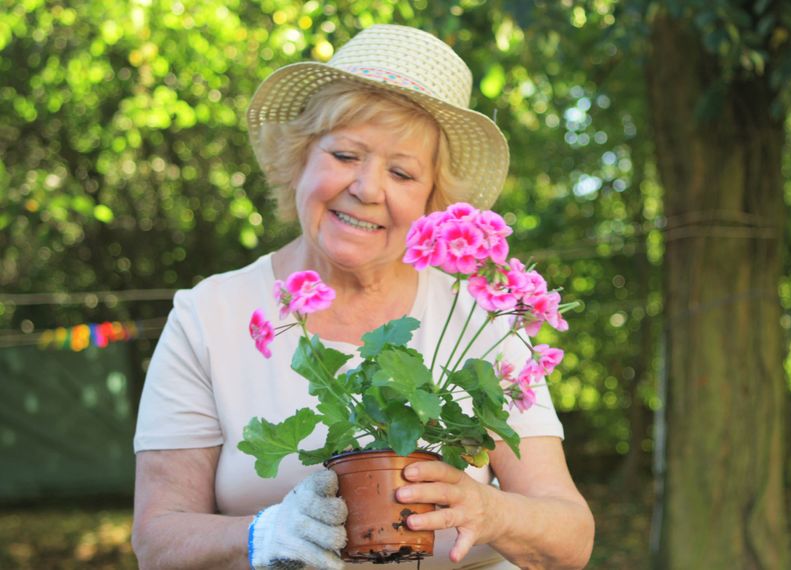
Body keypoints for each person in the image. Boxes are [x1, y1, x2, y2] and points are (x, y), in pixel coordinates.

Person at [131, 24, 594, 569]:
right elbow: (157, 541)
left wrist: (489, 510)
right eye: (346, 155)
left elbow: (571, 538)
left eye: (401, 172)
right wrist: (263, 533)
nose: (368, 189)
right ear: (301, 157)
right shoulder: (208, 315)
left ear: (431, 200)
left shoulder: (483, 317)